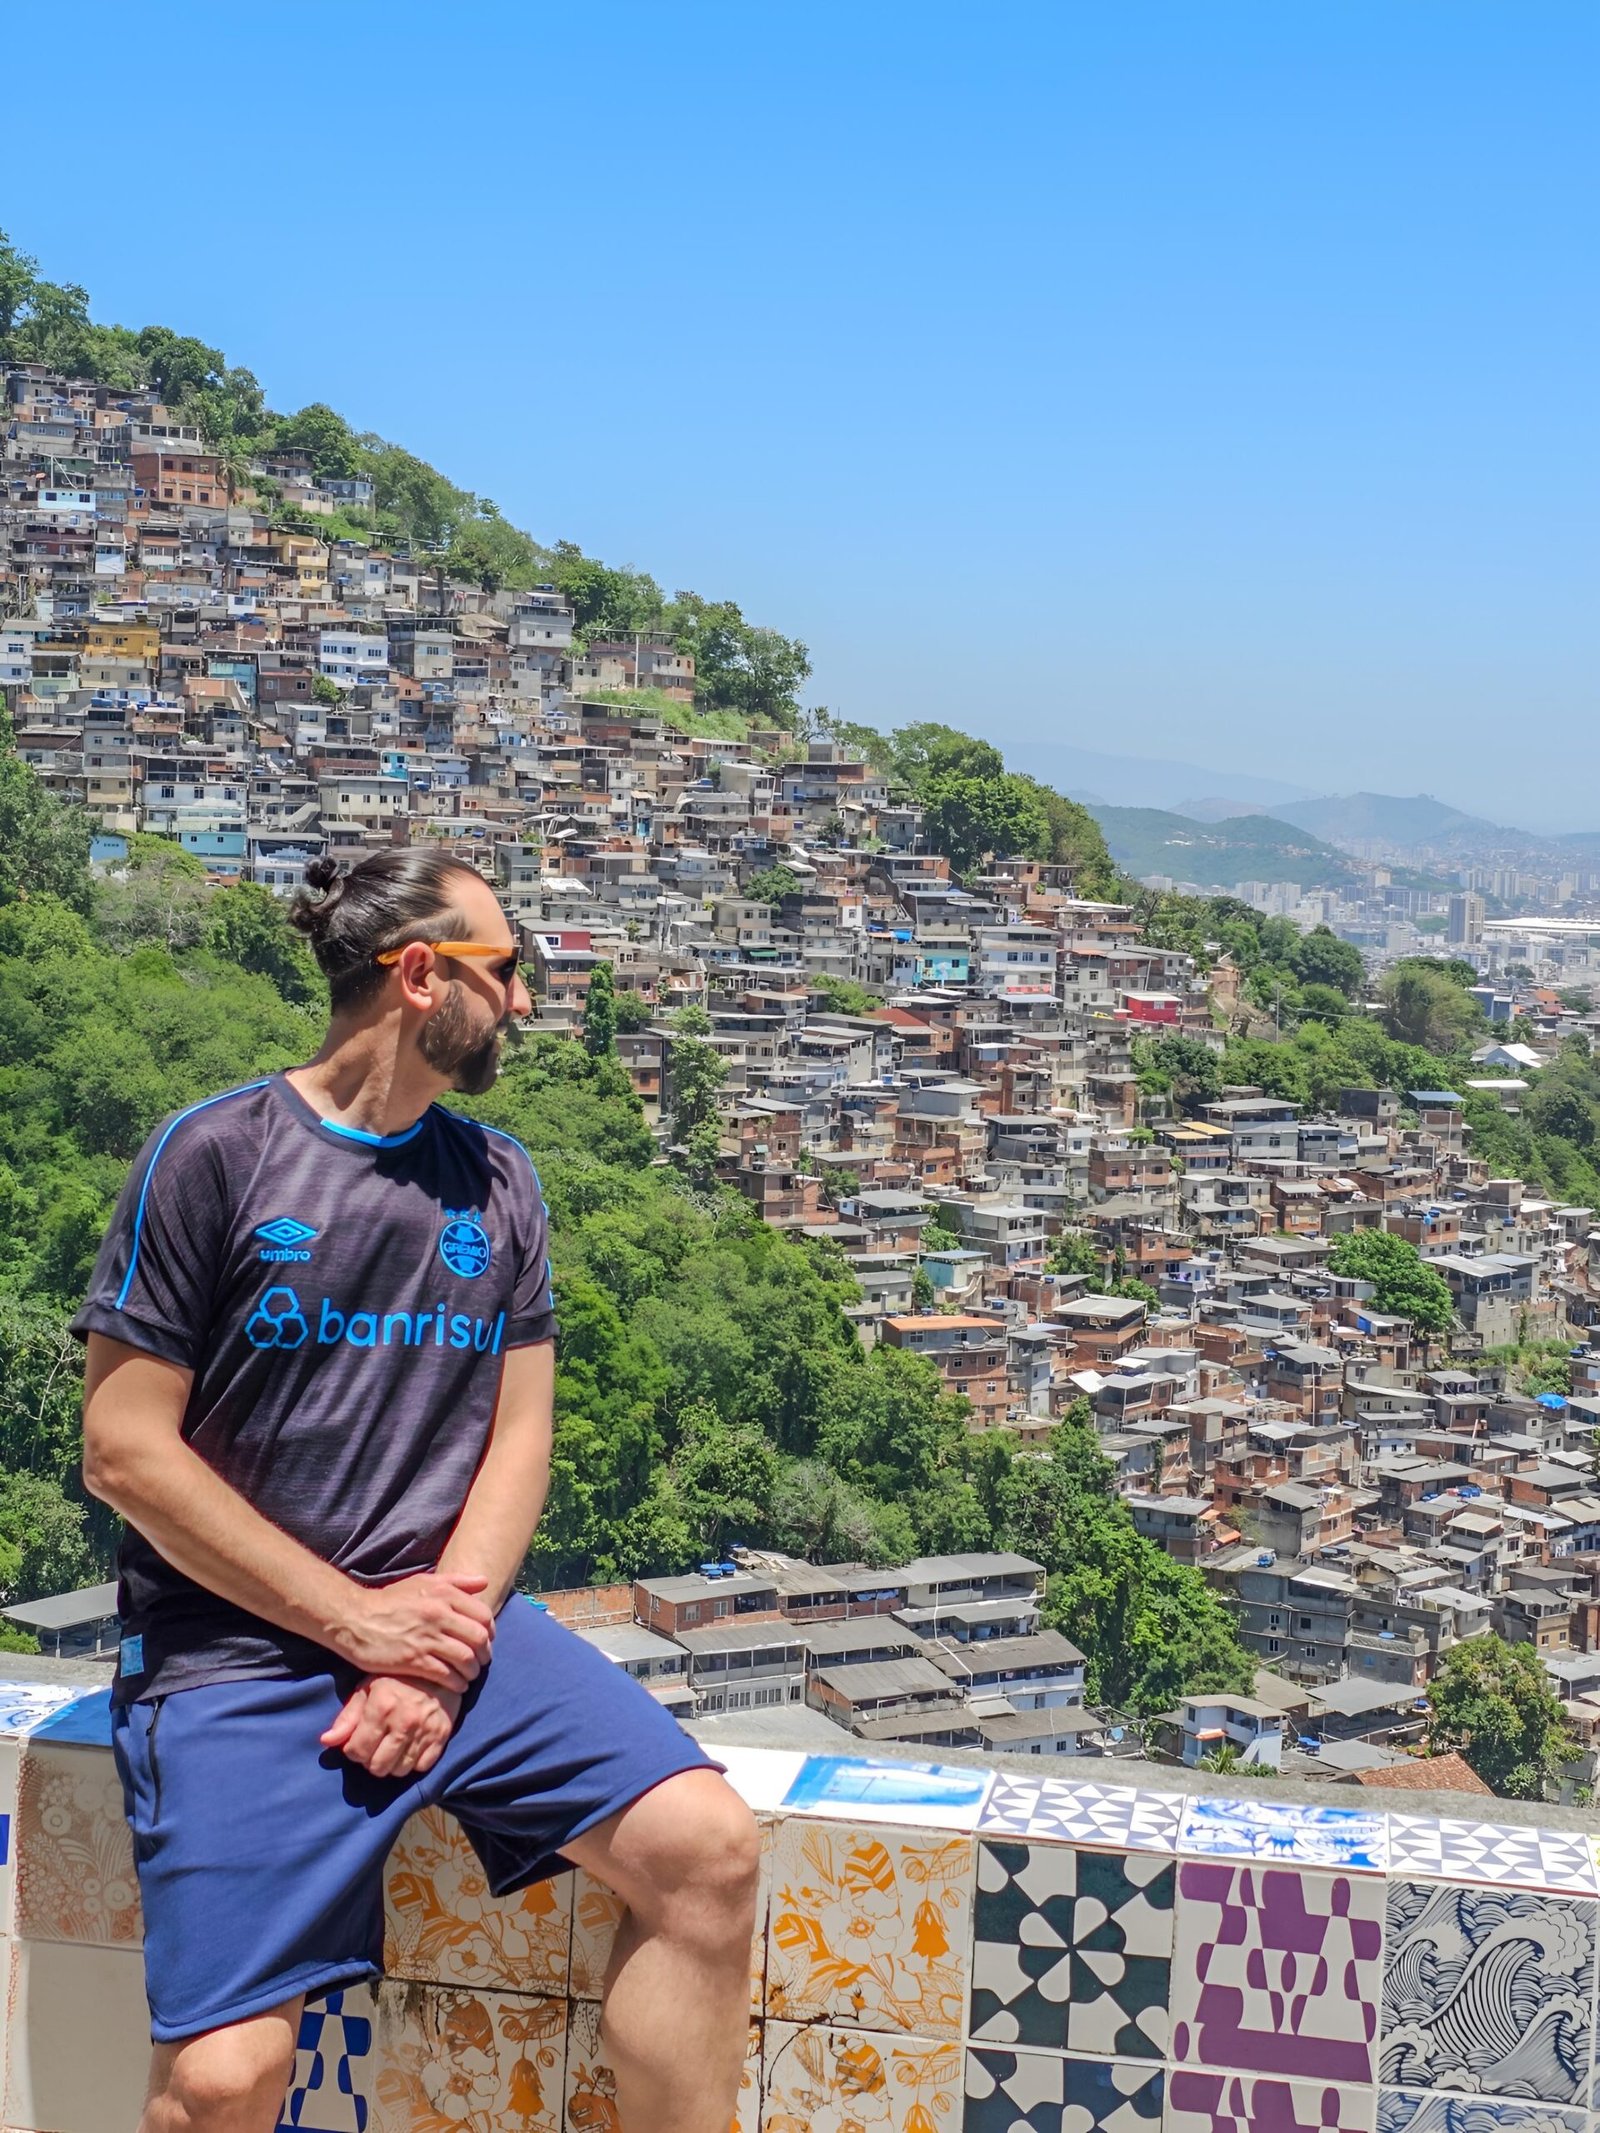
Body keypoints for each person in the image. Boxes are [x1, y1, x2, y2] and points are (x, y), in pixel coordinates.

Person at [74, 847, 758, 2133]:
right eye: (509, 971)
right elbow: (124, 1450)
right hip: (235, 1650)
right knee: (221, 2083)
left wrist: (430, 1651)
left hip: (452, 1630)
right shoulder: (213, 1155)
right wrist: (357, 1625)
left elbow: (518, 1439)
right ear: (424, 975)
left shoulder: (498, 1180)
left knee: (707, 1854)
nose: (526, 1002)